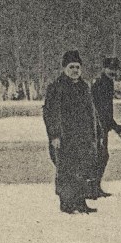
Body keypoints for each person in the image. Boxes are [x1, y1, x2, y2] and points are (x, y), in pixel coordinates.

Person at [42, 50, 102, 214]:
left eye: (77, 67)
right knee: (66, 170)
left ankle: (81, 202)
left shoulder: (84, 87)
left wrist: (97, 134)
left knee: (82, 169)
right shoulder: (56, 88)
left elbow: (91, 112)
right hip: (64, 137)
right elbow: (50, 113)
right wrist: (54, 135)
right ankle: (67, 203)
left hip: (83, 137)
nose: (75, 70)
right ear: (64, 68)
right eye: (71, 67)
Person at [89, 56, 121, 199]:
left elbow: (107, 109)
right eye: (110, 69)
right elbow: (98, 108)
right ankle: (92, 188)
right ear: (104, 69)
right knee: (99, 156)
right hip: (96, 127)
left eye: (115, 70)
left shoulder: (108, 83)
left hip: (103, 126)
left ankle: (95, 187)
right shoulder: (100, 85)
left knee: (102, 156)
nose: (113, 72)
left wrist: (111, 124)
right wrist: (111, 124)